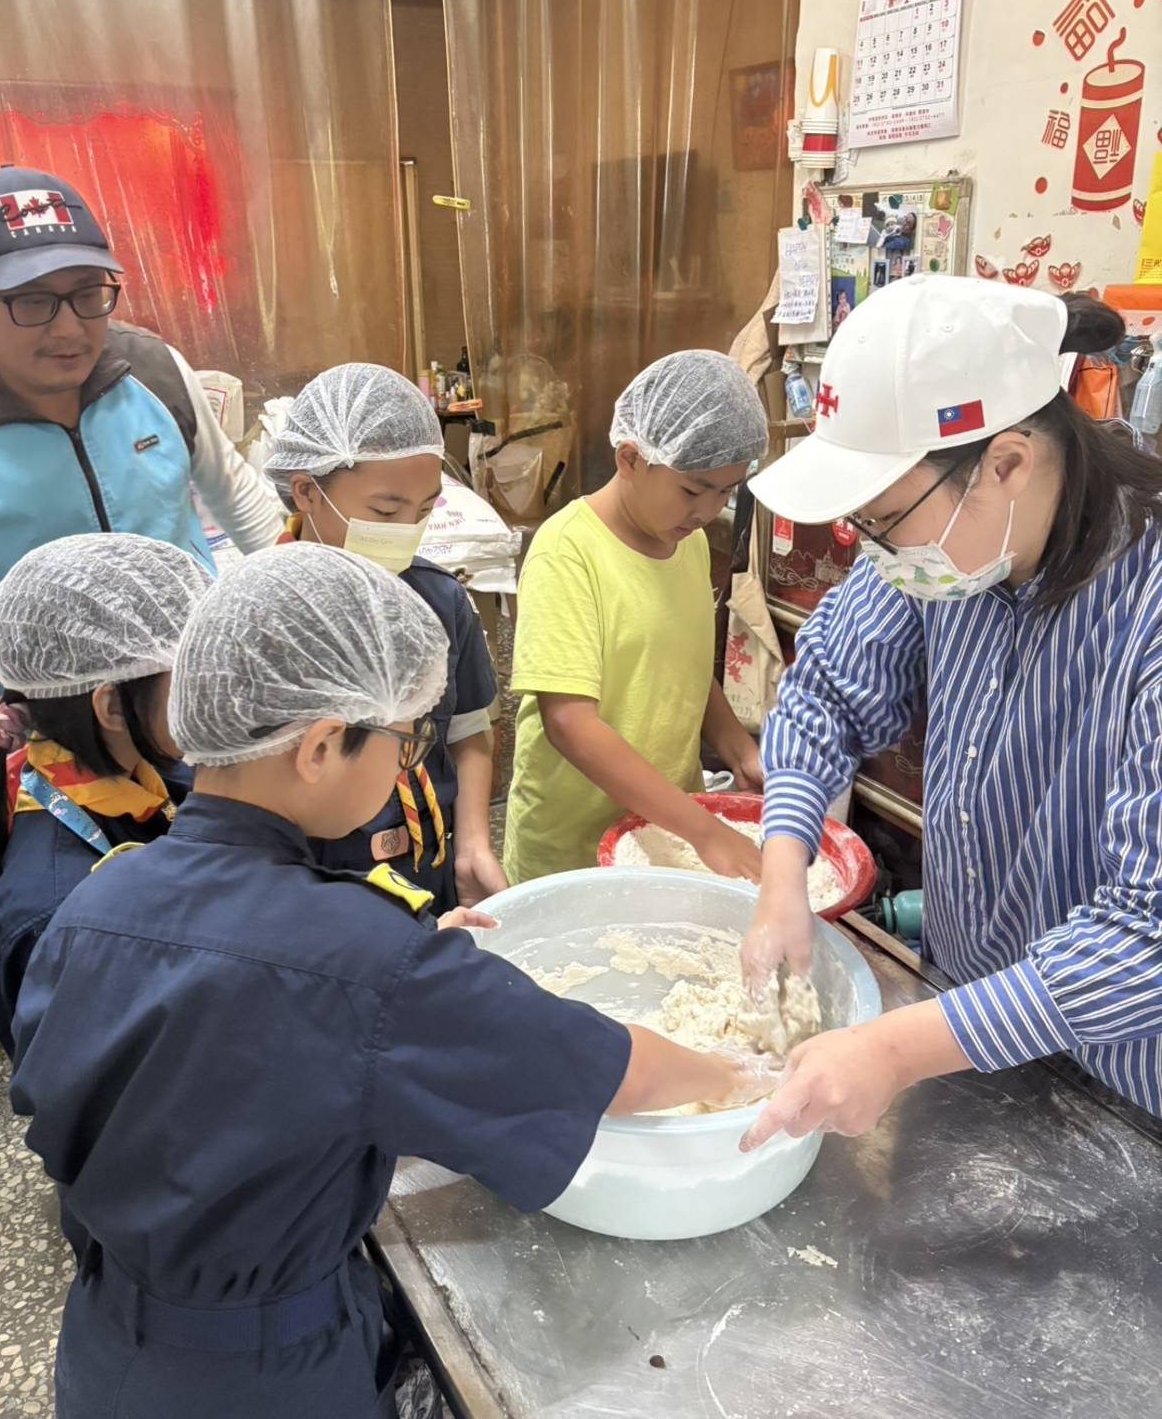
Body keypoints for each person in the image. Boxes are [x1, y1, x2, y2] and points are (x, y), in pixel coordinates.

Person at [9, 543, 768, 1418]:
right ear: (320, 746)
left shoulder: (95, 899)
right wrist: (738, 1072)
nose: (406, 769)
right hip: (266, 1378)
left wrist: (387, 970)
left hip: (105, 1344)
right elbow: (609, 1070)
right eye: (405, 742)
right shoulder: (369, 964)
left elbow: (177, 1056)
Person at [739, 274, 1162, 1149]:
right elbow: (827, 692)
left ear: (1008, 463)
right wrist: (784, 872)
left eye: (885, 519)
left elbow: (1147, 934)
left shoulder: (1143, 607)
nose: (875, 550)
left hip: (1125, 1096)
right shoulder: (947, 552)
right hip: (963, 1030)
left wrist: (894, 1050)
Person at [0, 164, 283, 723]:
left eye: (89, 293)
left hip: (187, 692)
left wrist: (297, 602)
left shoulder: (153, 370)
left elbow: (234, 492)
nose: (69, 329)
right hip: (40, 725)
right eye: (32, 302)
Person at [504, 350, 771, 884]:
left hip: (666, 831)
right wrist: (705, 832)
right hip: (571, 849)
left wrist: (739, 749)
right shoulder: (569, 551)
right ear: (629, 458)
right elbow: (569, 722)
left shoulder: (688, 543)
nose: (706, 512)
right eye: (693, 490)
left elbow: (682, 669)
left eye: (725, 492)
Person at [263, 363, 505, 909]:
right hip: (316, 890)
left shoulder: (439, 601)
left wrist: (472, 845)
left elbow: (468, 733)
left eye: (424, 509)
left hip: (429, 867)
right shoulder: (266, 619)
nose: (406, 531)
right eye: (385, 510)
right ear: (306, 491)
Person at [0, 534, 212, 1056]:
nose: (211, 688)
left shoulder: (151, 772)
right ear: (111, 706)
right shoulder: (55, 915)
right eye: (191, 672)